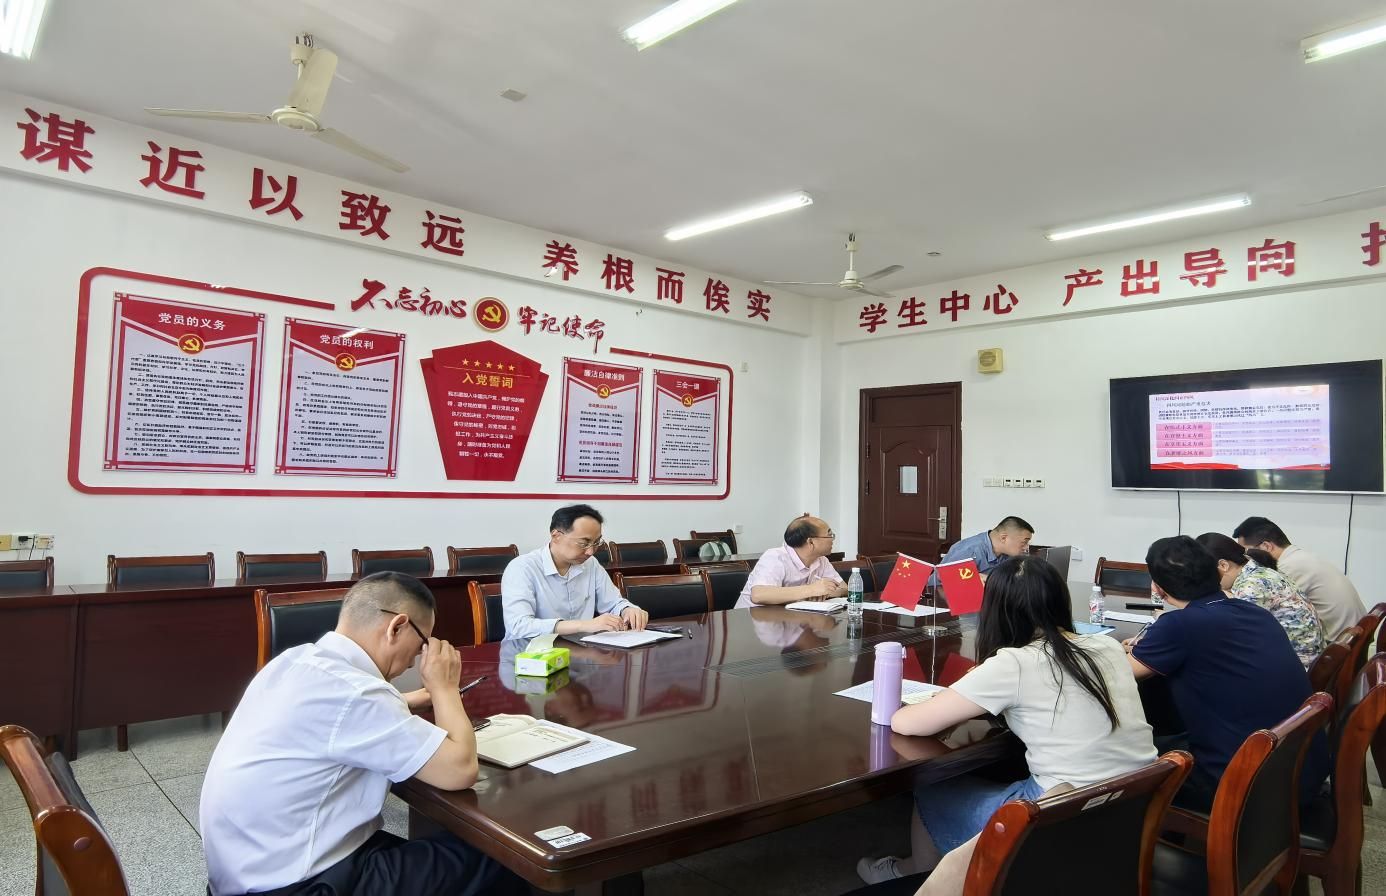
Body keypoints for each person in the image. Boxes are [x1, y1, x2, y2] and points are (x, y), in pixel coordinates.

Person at [201, 572, 525, 896]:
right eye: (421, 645)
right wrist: (445, 688)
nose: (414, 661)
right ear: (397, 627)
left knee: (446, 853)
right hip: (299, 885)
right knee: (505, 860)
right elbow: (460, 770)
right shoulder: (358, 694)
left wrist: (404, 700)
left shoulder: (294, 661)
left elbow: (336, 717)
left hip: (250, 867)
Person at [857, 555, 1156, 891]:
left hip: (1054, 819)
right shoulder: (1107, 645)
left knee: (930, 783)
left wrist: (973, 688)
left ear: (996, 610)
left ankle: (916, 870)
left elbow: (907, 723)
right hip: (1128, 809)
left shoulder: (1014, 664)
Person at [1127, 536, 1328, 813]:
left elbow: (1119, 675)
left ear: (1158, 589)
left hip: (1243, 785)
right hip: (1299, 771)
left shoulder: (1180, 624)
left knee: (1129, 759)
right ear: (1218, 572)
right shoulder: (1254, 612)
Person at [502, 503, 650, 640]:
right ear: (556, 536)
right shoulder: (522, 568)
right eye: (583, 543)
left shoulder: (590, 564)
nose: (590, 551)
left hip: (582, 650)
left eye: (596, 542)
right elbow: (518, 626)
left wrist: (627, 609)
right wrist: (584, 625)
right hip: (532, 654)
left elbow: (613, 602)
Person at [1195, 531, 1326, 667]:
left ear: (1223, 565)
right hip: (1298, 658)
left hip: (1297, 666)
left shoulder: (1252, 585)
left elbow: (1233, 637)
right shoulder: (1257, 571)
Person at [1232, 516, 1364, 639]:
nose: (1246, 559)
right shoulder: (1299, 558)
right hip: (1352, 635)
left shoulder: (1287, 568)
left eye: (1247, 552)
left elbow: (1254, 612)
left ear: (1266, 546)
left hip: (1336, 642)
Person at [734, 513, 847, 608]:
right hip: (751, 620)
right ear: (810, 542)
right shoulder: (775, 557)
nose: (832, 539)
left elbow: (844, 588)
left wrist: (826, 593)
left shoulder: (821, 560)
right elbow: (758, 595)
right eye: (829, 535)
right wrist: (811, 590)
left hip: (789, 618)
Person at [936, 516, 1034, 581]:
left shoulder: (1007, 553)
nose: (1026, 547)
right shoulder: (970, 550)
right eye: (1024, 542)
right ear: (1004, 538)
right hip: (940, 597)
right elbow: (942, 577)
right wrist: (978, 578)